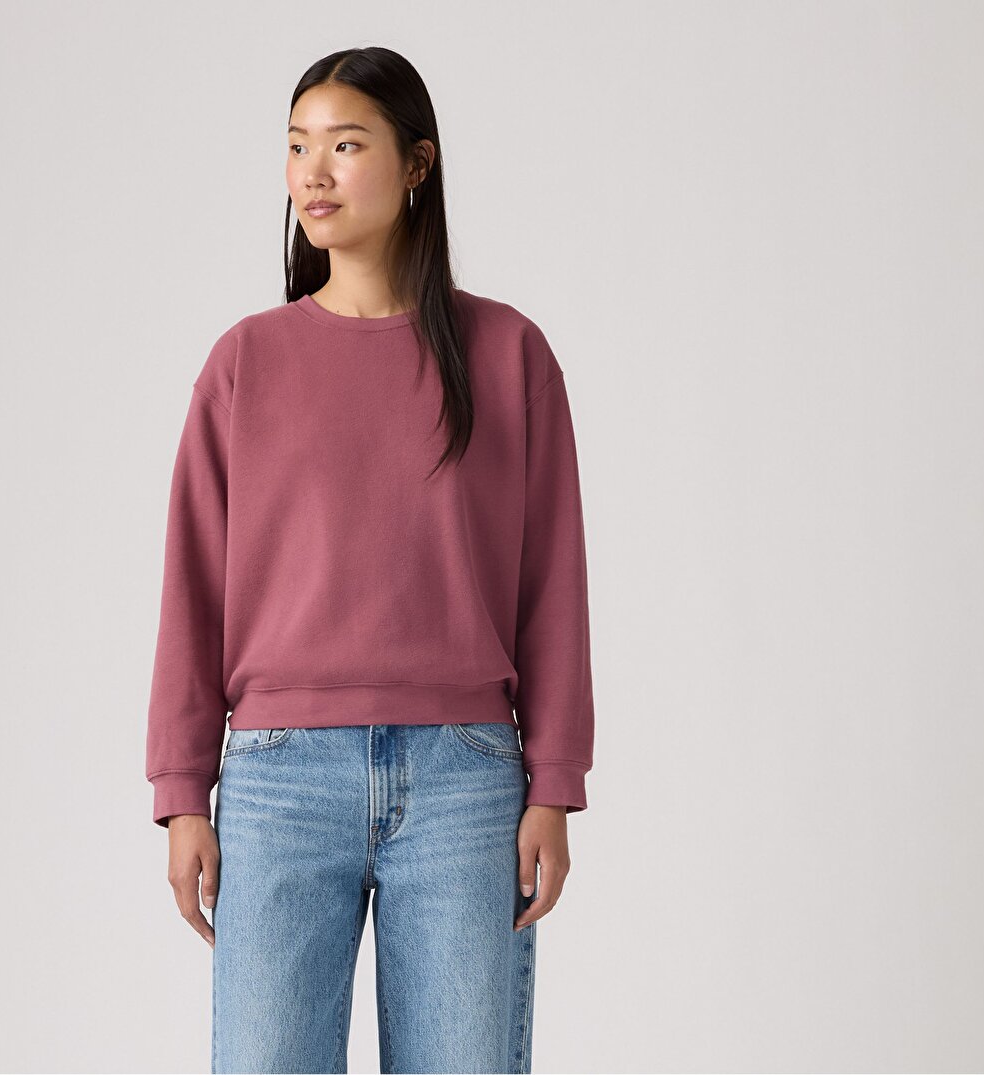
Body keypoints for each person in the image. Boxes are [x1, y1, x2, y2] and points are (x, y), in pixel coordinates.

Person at [144, 46, 595, 1075]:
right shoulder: (245, 362)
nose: (313, 172)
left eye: (344, 145)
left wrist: (555, 781)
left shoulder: (507, 354)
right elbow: (192, 585)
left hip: (465, 780)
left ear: (415, 164)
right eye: (298, 146)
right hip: (277, 781)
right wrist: (181, 790)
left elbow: (552, 585)